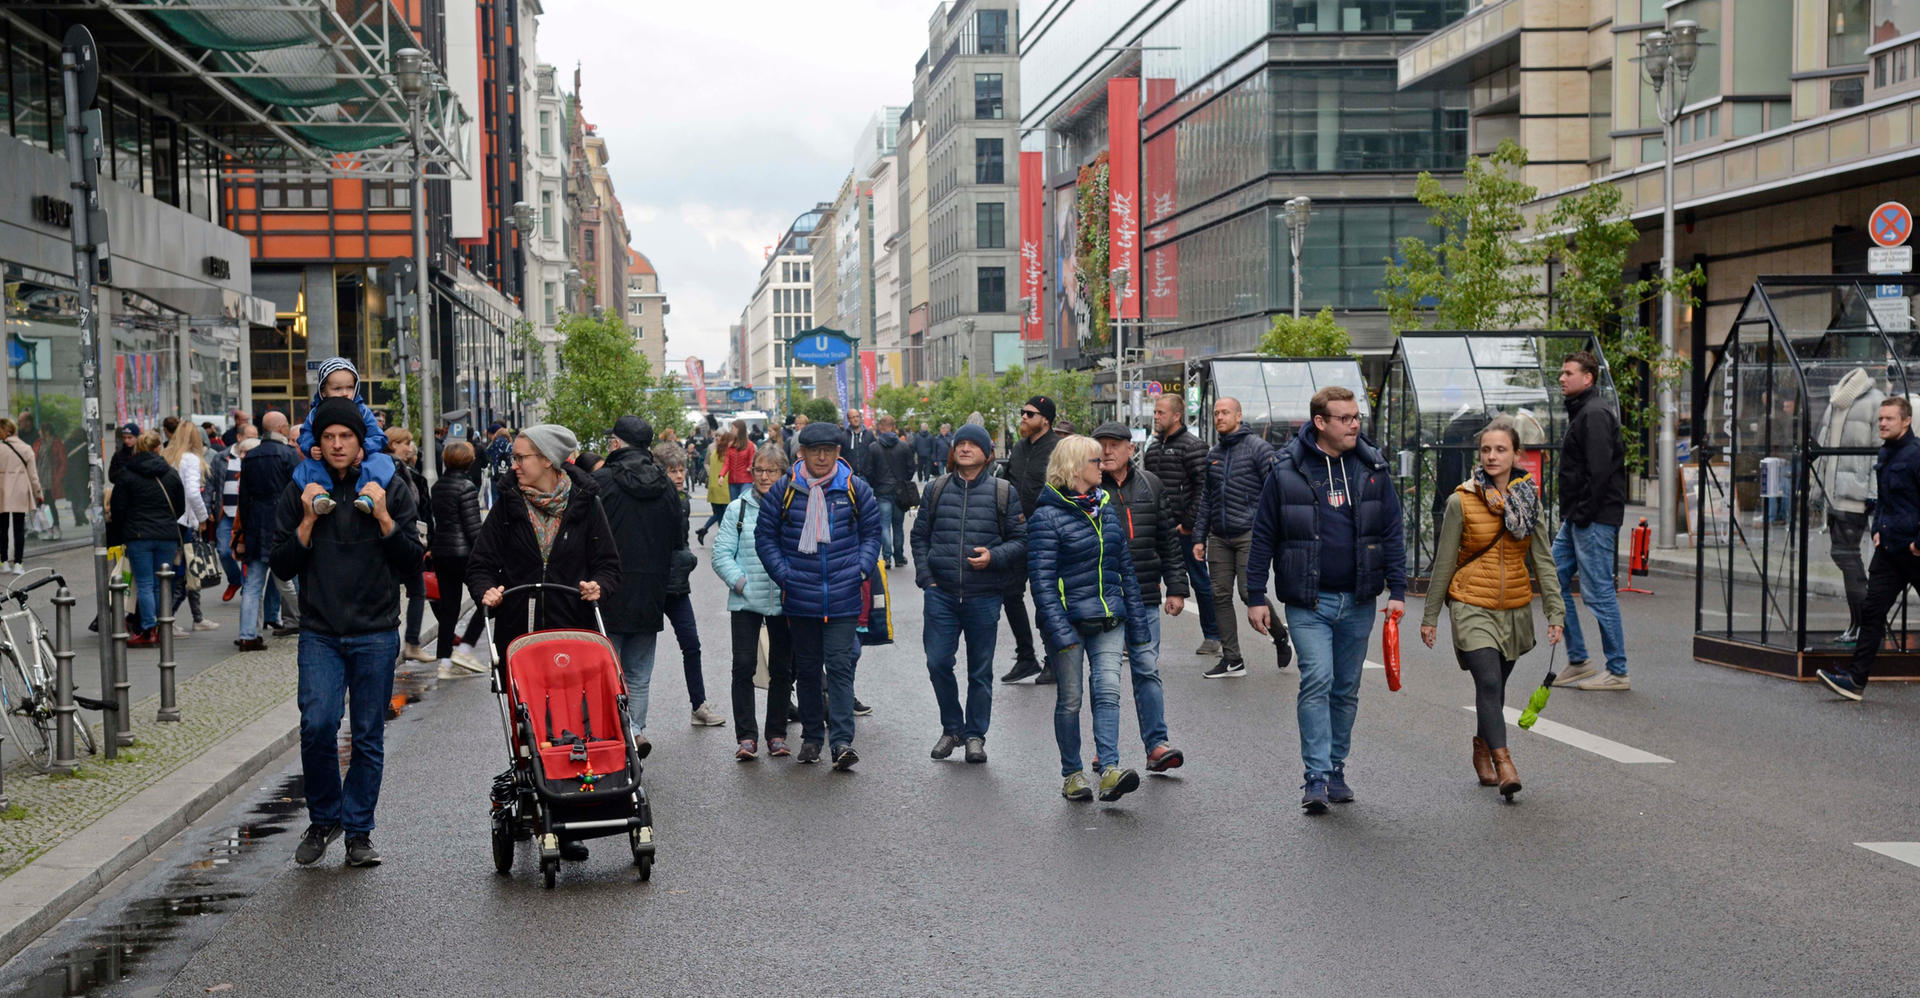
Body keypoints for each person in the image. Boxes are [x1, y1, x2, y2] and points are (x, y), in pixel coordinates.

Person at [271, 397, 425, 869]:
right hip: (320, 631)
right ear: (318, 443)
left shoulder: (391, 488)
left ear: (361, 445)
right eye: (329, 437)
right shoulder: (302, 490)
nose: (337, 444)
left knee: (366, 735)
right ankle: (324, 819)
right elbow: (280, 563)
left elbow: (412, 562)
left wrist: (382, 517)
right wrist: (308, 521)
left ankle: (359, 831)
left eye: (346, 437)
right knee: (317, 726)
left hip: (376, 632)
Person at [1246, 386, 1406, 814]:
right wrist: (1255, 595)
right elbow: (1264, 534)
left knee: (1346, 688)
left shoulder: (1372, 467)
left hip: (1359, 599)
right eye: (1345, 418)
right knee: (1317, 678)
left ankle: (1336, 768)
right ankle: (1314, 775)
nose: (1355, 424)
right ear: (1320, 423)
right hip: (1308, 600)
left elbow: (1391, 529)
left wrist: (1399, 590)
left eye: (1356, 417)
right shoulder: (1286, 470)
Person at [1419, 417, 1565, 799]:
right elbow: (1445, 562)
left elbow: (1543, 561)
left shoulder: (1529, 501)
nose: (1491, 456)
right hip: (1470, 604)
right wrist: (1431, 616)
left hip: (1514, 608)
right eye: (1486, 449)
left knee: (1496, 687)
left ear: (1517, 454)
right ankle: (1505, 764)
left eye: (1500, 449)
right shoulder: (1461, 500)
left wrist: (1555, 612)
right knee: (1486, 681)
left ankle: (1481, 747)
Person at [1027, 434, 1153, 803]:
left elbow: (1124, 569)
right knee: (1070, 700)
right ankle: (1072, 774)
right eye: (1096, 461)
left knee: (1108, 691)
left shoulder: (1105, 507)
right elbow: (1042, 582)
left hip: (1110, 618)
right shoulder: (1046, 516)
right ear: (1075, 467)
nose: (1103, 466)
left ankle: (1110, 770)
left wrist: (1139, 627)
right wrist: (1058, 630)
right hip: (1067, 623)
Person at [754, 420, 881, 770]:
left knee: (840, 668)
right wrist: (785, 576)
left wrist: (860, 569)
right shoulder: (785, 490)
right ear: (802, 453)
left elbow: (872, 534)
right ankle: (811, 738)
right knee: (807, 669)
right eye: (815, 451)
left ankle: (841, 742)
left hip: (843, 595)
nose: (822, 457)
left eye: (829, 450)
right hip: (801, 595)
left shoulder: (855, 488)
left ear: (839, 452)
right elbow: (765, 538)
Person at [911, 423, 1024, 765]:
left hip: (984, 595)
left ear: (988, 453)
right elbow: (919, 538)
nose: (964, 448)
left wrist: (994, 557)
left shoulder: (1004, 492)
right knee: (938, 662)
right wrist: (927, 579)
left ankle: (975, 735)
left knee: (980, 671)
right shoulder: (936, 488)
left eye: (973, 444)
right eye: (960, 443)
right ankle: (952, 728)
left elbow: (1021, 540)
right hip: (941, 594)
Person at [468, 423, 622, 666]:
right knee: (526, 705)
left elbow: (608, 565)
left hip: (573, 633)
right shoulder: (507, 504)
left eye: (521, 458)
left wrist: (598, 587)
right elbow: (480, 565)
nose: (513, 465)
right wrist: (486, 590)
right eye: (513, 458)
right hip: (519, 635)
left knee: (568, 704)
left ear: (547, 460)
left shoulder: (587, 504)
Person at [1092, 422, 1187, 773]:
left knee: (1147, 670)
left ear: (1131, 449)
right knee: (1106, 678)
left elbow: (1168, 542)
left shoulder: (1151, 485)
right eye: (1101, 444)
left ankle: (1157, 746)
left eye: (1114, 444)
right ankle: (1106, 751)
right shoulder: (1086, 487)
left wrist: (1176, 587)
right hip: (1103, 599)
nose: (1107, 451)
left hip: (1145, 595)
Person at [587, 416, 683, 753]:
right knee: (639, 673)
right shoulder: (666, 485)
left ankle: (610, 734)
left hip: (607, 588)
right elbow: (678, 538)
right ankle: (635, 729)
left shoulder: (600, 482)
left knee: (606, 669)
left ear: (615, 444)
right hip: (651, 590)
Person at [1819, 396, 1920, 701]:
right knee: (1872, 611)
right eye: (1880, 419)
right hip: (1889, 551)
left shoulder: (1916, 456)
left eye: (1889, 419)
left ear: (1907, 421)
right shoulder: (1885, 453)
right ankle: (1855, 680)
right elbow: (1883, 500)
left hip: (1915, 551)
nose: (1882, 423)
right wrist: (1876, 530)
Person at [1548, 351, 1630, 692]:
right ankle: (1580, 660)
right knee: (1553, 579)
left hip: (1592, 518)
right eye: (1562, 373)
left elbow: (1599, 472)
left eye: (1568, 373)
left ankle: (1618, 670)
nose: (1562, 378)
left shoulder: (1594, 414)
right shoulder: (1584, 411)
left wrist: (1581, 514)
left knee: (1598, 594)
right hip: (1579, 517)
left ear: (1588, 378)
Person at [1193, 396, 1289, 677]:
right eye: (1216, 413)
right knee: (1219, 595)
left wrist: (1274, 533)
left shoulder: (1259, 449)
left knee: (1249, 593)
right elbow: (1206, 500)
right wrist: (1199, 537)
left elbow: (1275, 494)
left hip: (1251, 533)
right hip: (1219, 535)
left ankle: (1280, 636)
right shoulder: (1213, 455)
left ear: (1238, 416)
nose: (1219, 417)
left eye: (1225, 412)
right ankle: (1232, 659)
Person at [714, 444, 796, 760]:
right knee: (743, 667)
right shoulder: (739, 509)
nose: (763, 476)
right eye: (759, 470)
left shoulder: (793, 506)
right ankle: (746, 738)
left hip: (784, 600)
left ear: (783, 473)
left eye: (770, 471)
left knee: (782, 668)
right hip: (746, 601)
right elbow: (721, 555)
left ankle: (776, 734)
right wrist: (742, 583)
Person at [650, 440, 725, 727]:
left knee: (691, 644)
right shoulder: (654, 501)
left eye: (681, 470)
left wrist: (686, 558)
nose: (680, 476)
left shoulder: (683, 501)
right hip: (653, 585)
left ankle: (699, 705)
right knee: (637, 654)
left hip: (677, 585)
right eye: (672, 471)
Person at [1145, 393, 1219, 657]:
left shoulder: (1194, 446)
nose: (1155, 416)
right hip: (1156, 528)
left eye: (1161, 413)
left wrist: (1188, 525)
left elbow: (1204, 489)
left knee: (1200, 581)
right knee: (1144, 580)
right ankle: (1140, 639)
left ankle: (1213, 636)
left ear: (1176, 416)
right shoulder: (1152, 448)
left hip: (1183, 530)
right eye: (1155, 412)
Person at [1814, 367, 1883, 645]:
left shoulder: (1874, 401)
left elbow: (1882, 453)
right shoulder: (1836, 402)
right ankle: (1857, 623)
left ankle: (1865, 626)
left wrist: (1874, 495)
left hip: (1854, 496)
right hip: (1834, 495)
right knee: (1843, 556)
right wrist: (1815, 490)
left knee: (1847, 557)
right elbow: (1821, 450)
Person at [998, 396, 1060, 685]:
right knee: (1010, 593)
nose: (1023, 417)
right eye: (1022, 412)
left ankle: (1054, 661)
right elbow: (1009, 482)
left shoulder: (1058, 449)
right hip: (1016, 534)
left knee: (1046, 599)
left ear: (1045, 420)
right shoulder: (1020, 447)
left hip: (1047, 535)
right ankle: (1026, 658)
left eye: (1029, 414)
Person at [109, 431, 185, 647]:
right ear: (158, 448)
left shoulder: (127, 475)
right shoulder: (170, 474)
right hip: (166, 536)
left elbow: (118, 508)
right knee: (163, 583)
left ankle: (148, 629)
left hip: (138, 536)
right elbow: (180, 507)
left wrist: (127, 529)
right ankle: (163, 627)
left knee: (144, 583)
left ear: (138, 449)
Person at [292, 358, 395, 517]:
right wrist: (311, 447)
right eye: (337, 388)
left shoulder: (363, 411)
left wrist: (364, 449)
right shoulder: (315, 414)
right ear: (323, 390)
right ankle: (320, 495)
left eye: (350, 387)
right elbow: (305, 434)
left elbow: (378, 436)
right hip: (325, 460)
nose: (345, 393)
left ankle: (368, 494)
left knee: (380, 462)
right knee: (308, 468)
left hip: (361, 459)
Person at [234, 414, 301, 650]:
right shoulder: (289, 455)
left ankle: (247, 634)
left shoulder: (250, 457)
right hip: (283, 525)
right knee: (288, 580)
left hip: (256, 526)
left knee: (252, 585)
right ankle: (307, 619)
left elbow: (244, 499)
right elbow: (298, 492)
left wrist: (243, 531)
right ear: (282, 428)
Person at [428, 439, 490, 678]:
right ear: (469, 461)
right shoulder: (466, 487)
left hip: (442, 553)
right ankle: (465, 647)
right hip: (465, 554)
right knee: (488, 601)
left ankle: (443, 663)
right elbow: (473, 527)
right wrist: (485, 554)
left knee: (449, 609)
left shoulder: (438, 487)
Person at [159, 422, 217, 634]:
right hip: (184, 523)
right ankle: (168, 619)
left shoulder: (167, 456)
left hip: (168, 521)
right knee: (185, 574)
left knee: (178, 573)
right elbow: (192, 492)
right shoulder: (191, 459)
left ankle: (194, 617)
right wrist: (202, 517)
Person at [387, 428, 434, 663]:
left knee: (414, 591)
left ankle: (409, 643)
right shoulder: (393, 470)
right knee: (406, 592)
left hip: (407, 540)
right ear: (393, 444)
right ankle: (408, 644)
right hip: (399, 540)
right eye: (406, 443)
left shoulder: (405, 470)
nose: (410, 447)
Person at [866, 413, 916, 568]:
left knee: (884, 525)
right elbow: (910, 468)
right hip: (900, 491)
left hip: (882, 490)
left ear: (880, 428)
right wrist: (903, 481)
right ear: (894, 427)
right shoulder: (904, 446)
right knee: (898, 525)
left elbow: (868, 470)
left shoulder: (874, 447)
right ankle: (899, 556)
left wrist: (876, 484)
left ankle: (886, 557)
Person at [212, 425, 254, 601]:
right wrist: (208, 509)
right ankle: (235, 580)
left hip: (248, 515)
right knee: (224, 551)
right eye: (249, 437)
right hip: (227, 513)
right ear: (239, 437)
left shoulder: (255, 457)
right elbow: (210, 484)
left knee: (248, 554)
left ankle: (248, 588)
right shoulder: (221, 458)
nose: (253, 441)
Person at [0, 417, 44, 574]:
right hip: (19, 491)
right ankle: (18, 564)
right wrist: (38, 493)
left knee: (2, 528)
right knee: (19, 528)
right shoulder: (26, 448)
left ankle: (4, 562)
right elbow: (33, 475)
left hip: (2, 492)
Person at [697, 426, 733, 543]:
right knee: (723, 513)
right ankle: (723, 537)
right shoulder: (727, 450)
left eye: (720, 436)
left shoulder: (716, 451)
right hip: (724, 485)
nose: (717, 437)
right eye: (716, 435)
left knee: (719, 513)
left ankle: (705, 529)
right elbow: (706, 463)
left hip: (716, 484)